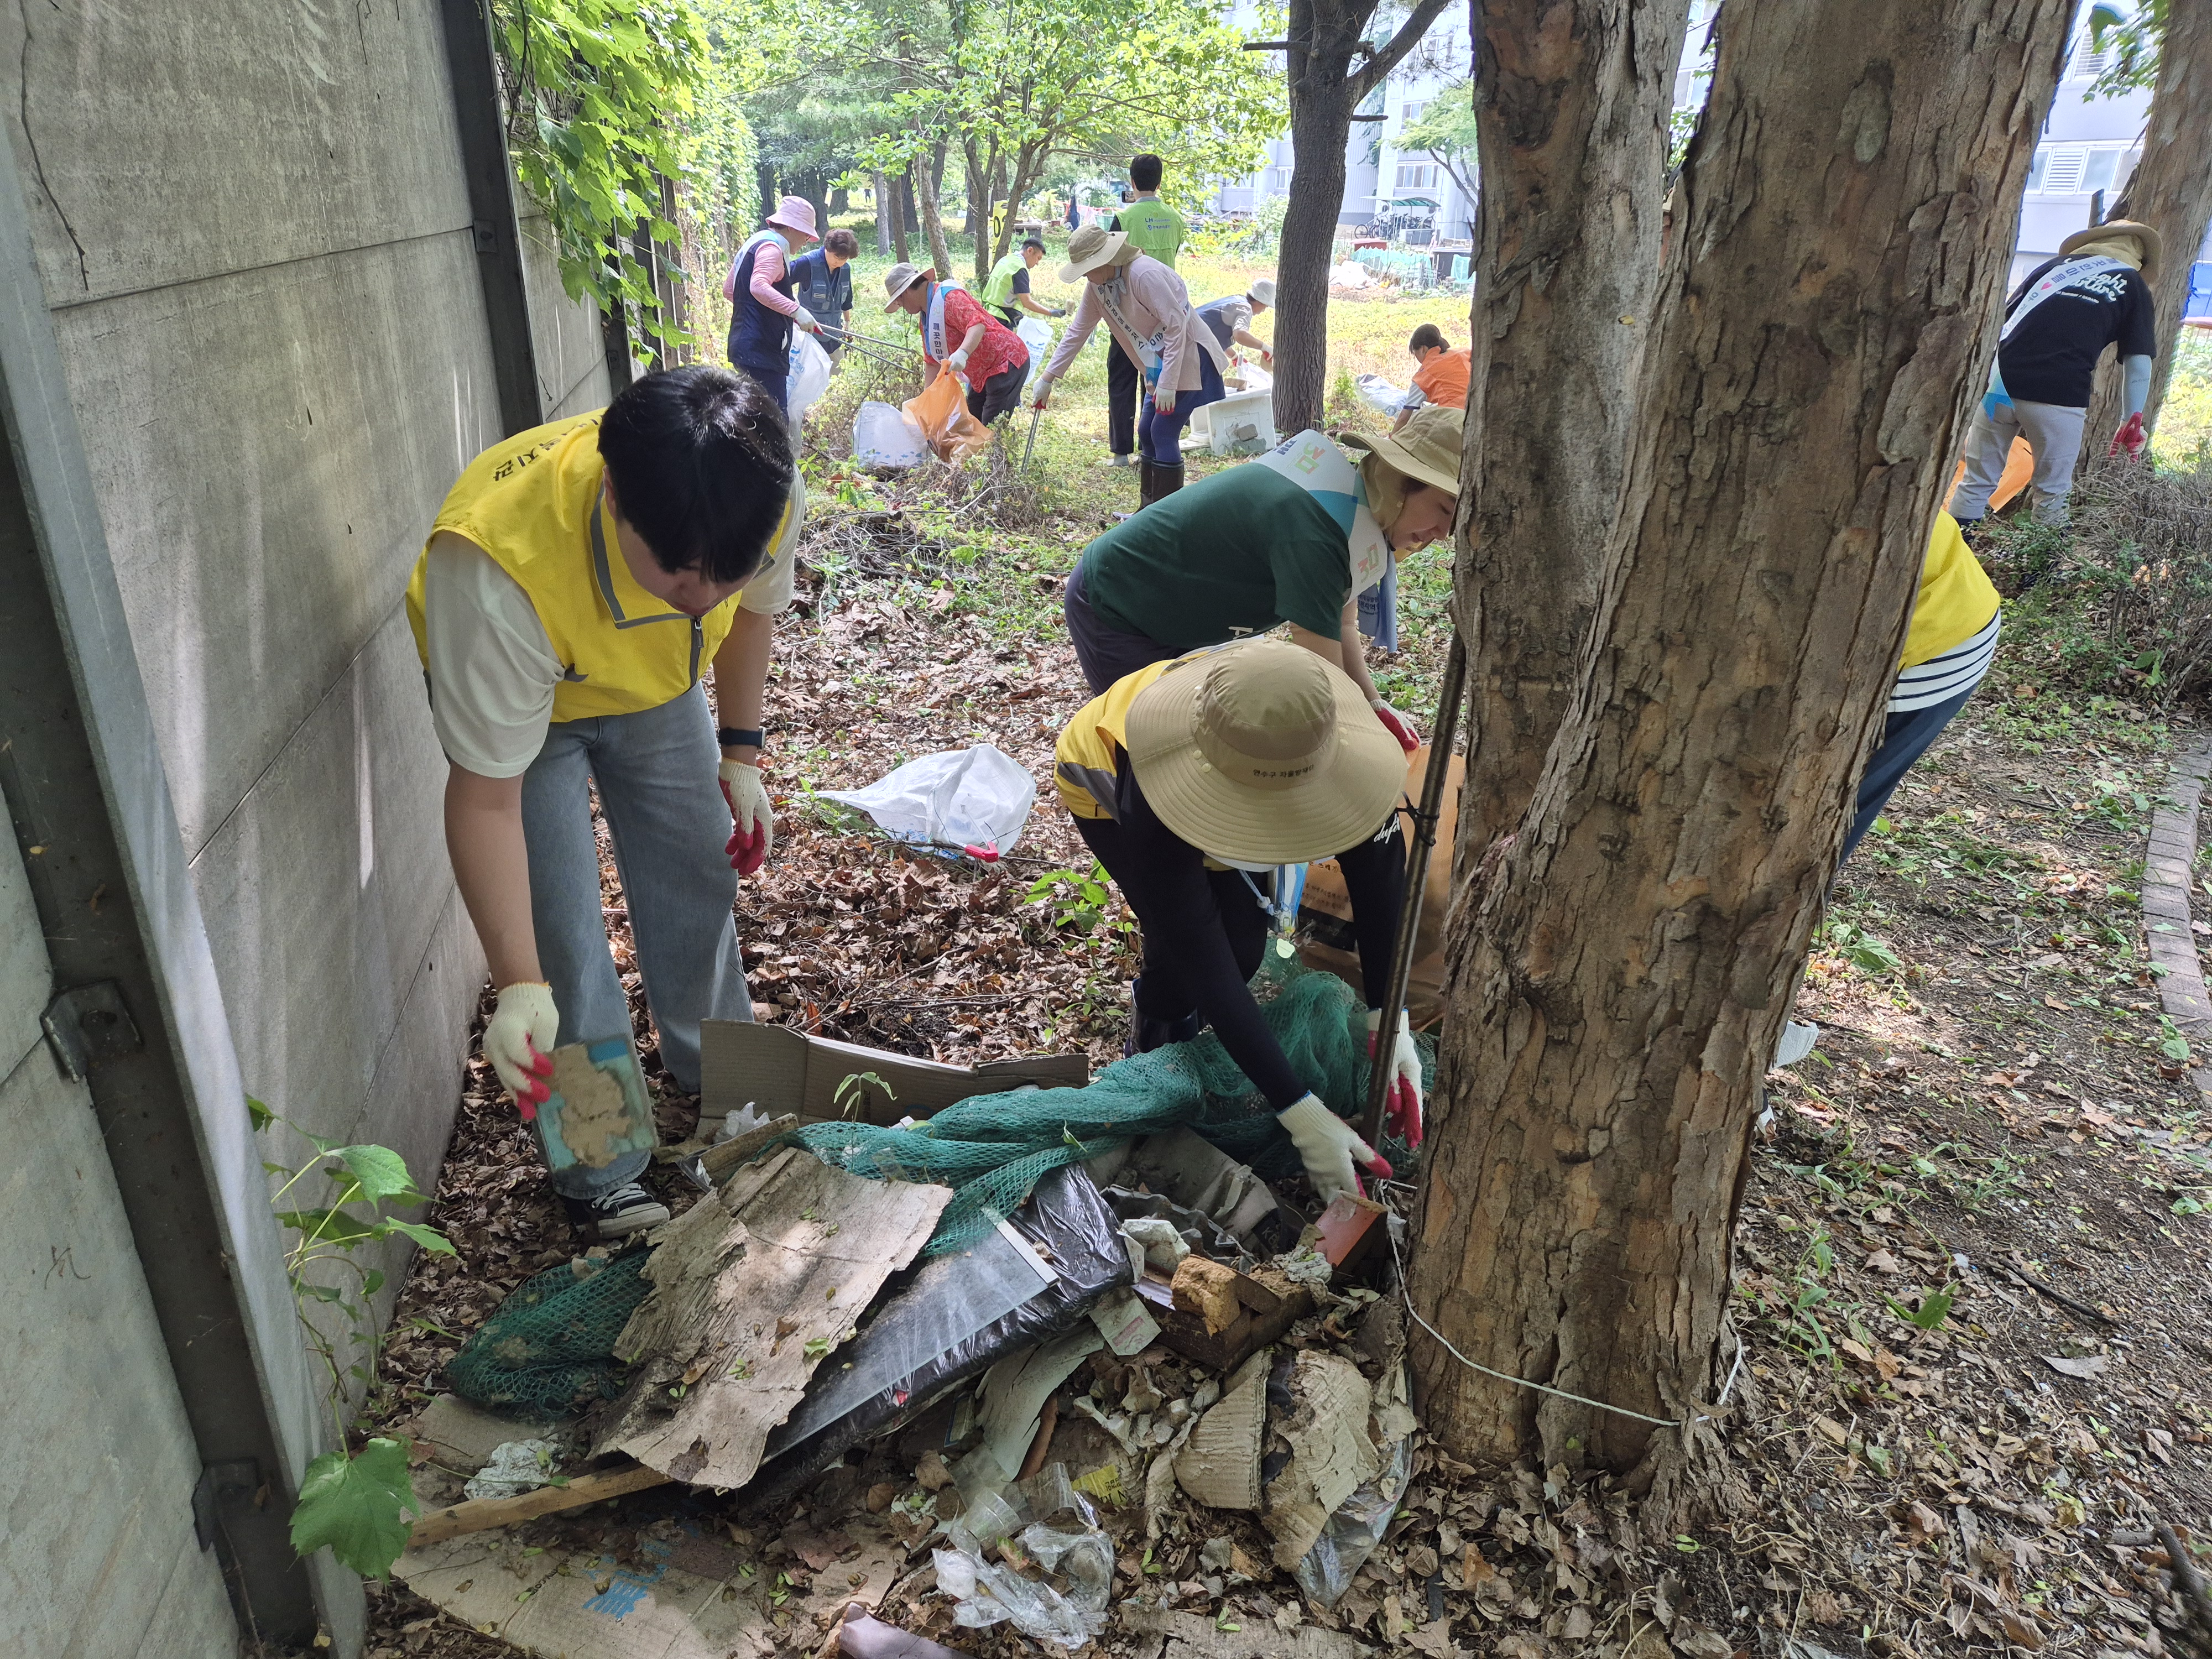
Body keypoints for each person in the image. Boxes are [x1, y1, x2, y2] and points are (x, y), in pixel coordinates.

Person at [404, 367, 803, 1239]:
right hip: (529, 701)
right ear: (615, 499)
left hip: (654, 686)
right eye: (678, 575)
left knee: (699, 869)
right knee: (562, 939)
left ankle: (724, 1078)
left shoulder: (758, 487)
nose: (703, 597)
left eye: (723, 576)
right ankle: (600, 1158)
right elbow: (484, 800)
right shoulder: (497, 567)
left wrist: (741, 753)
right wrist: (515, 984)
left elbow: (754, 616)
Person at [1052, 639, 1422, 1201]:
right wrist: (1298, 1109)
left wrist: (1388, 1016)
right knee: (1197, 958)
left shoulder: (1330, 735)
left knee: (1245, 948)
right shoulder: (1151, 797)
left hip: (1233, 778)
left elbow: (1380, 888)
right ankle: (1156, 1032)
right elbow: (1200, 950)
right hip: (1105, 783)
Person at [1058, 405, 1463, 769]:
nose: (1444, 534)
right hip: (1118, 606)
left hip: (1187, 615)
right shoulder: (1315, 531)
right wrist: (1361, 746)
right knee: (1156, 753)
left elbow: (1342, 623)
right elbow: (1321, 679)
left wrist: (1372, 703)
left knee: (1204, 745)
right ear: (1400, 483)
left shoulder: (1350, 503)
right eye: (1444, 509)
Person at [1773, 509, 2002, 1070]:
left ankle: (1757, 1037)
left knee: (1796, 842)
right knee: (1792, 836)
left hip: (1927, 641)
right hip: (1911, 620)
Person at [1954, 221, 2162, 529]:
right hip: (2058, 395)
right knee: (2052, 492)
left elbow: (2001, 323)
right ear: (2139, 260)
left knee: (1975, 481)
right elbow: (2139, 362)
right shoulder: (2132, 283)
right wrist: (2130, 420)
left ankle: (1945, 566)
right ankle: (2039, 575)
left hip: (2000, 386)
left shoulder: (2050, 269)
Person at [1031, 222, 1226, 505]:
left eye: (1089, 267)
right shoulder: (1097, 287)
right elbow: (1078, 331)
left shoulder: (1145, 274)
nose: (1086, 275)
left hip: (1189, 356)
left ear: (1107, 259)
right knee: (1147, 430)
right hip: (1157, 364)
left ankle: (1166, 521)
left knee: (1163, 431)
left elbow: (1176, 325)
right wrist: (1047, 378)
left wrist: (1169, 384)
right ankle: (1147, 514)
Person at [1100, 155, 1187, 469]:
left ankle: (1121, 453)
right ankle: (1147, 447)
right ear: (1159, 183)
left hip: (1129, 309)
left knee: (1121, 377)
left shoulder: (1124, 218)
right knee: (1155, 380)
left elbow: (1108, 260)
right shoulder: (1176, 218)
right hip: (1166, 313)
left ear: (1132, 182)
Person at [883, 261, 1033, 426]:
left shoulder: (949, 297)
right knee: (973, 422)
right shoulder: (927, 317)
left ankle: (995, 451)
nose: (902, 306)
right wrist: (926, 401)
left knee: (991, 426)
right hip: (981, 373)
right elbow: (932, 362)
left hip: (1006, 361)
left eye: (899, 301)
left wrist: (963, 353)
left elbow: (977, 325)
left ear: (907, 292)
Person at [724, 196, 822, 417]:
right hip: (763, 350)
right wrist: (795, 311)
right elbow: (758, 287)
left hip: (744, 346)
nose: (806, 241)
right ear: (790, 228)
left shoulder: (755, 242)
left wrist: (778, 313)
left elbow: (730, 290)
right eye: (806, 234)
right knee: (775, 420)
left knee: (752, 416)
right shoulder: (773, 248)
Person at [790, 227, 859, 355]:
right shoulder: (807, 263)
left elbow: (846, 302)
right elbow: (780, 281)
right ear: (827, 248)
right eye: (836, 258)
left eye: (844, 259)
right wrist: (793, 308)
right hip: (809, 338)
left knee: (836, 373)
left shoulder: (845, 269)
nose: (839, 262)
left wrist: (848, 325)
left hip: (835, 337)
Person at [1392, 324, 1470, 432]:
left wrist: (1391, 439)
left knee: (1420, 422)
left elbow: (1404, 417)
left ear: (1423, 349)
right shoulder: (1465, 353)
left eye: (1415, 353)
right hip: (1481, 410)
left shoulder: (1424, 376)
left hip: (1457, 421)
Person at [983, 237, 1067, 328]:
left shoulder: (1006, 260)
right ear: (1030, 251)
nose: (1037, 263)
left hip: (987, 312)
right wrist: (1051, 313)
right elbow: (1027, 302)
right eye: (1038, 258)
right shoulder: (1019, 269)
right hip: (1003, 318)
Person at [1198, 278, 1275, 369]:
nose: (1263, 310)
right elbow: (1240, 334)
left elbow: (1215, 333)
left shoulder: (1237, 300)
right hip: (1194, 344)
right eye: (1265, 306)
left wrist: (1234, 357)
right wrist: (1264, 347)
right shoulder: (1245, 309)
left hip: (1189, 336)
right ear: (1260, 301)